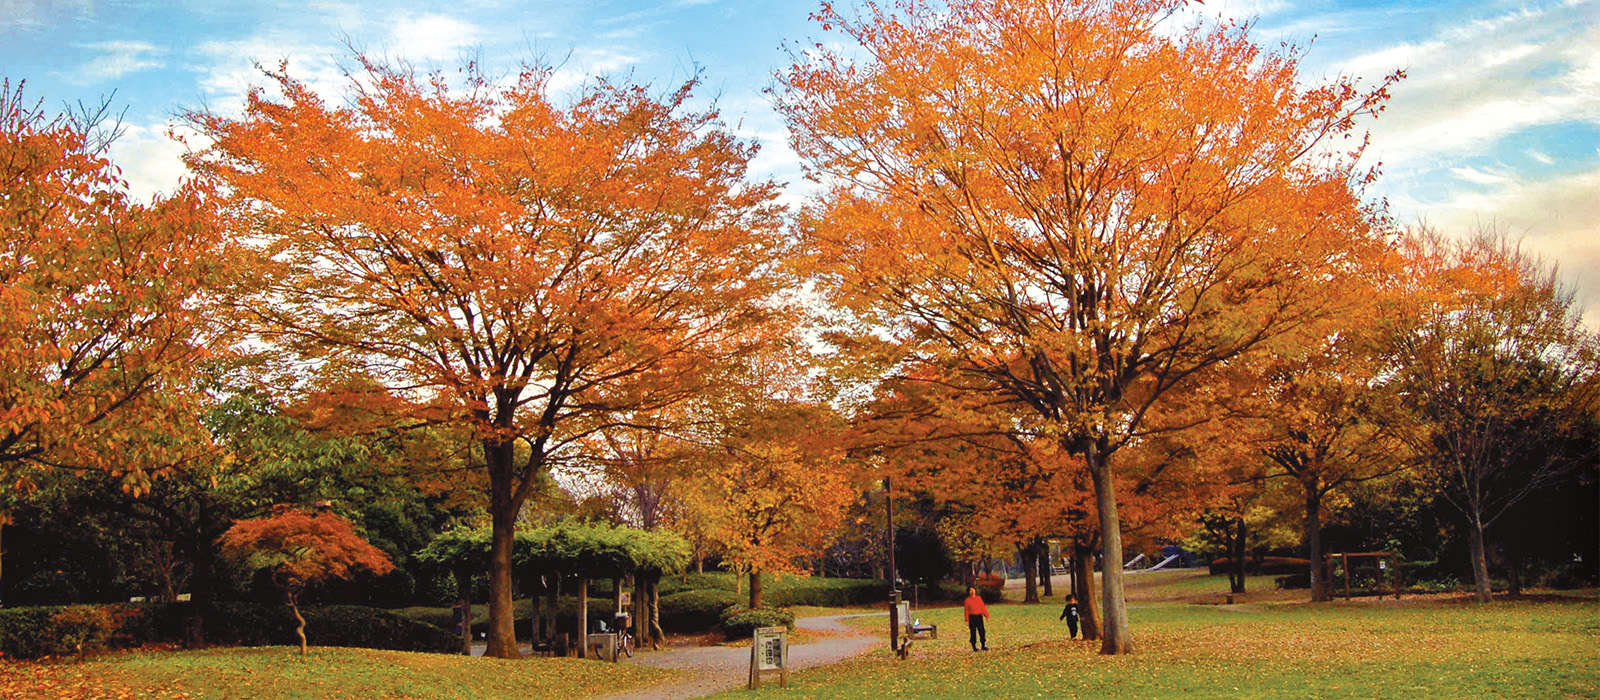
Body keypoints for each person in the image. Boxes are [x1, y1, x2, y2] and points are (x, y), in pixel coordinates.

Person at [963, 586, 989, 651]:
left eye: (973, 590)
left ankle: (983, 645)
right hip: (972, 617)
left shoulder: (978, 598)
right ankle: (974, 646)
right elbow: (966, 611)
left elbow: (982, 607)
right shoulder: (967, 600)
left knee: (982, 631)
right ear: (968, 592)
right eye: (970, 590)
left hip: (979, 617)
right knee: (973, 632)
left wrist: (986, 615)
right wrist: (967, 620)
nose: (972, 591)